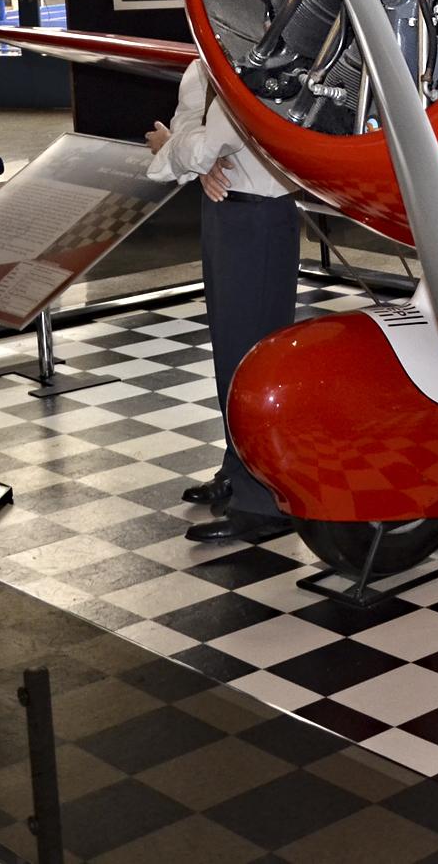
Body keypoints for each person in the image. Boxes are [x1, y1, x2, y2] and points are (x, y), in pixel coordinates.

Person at [147, 59, 299, 544]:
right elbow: (193, 128)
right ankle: (237, 468)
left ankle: (264, 500)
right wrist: (195, 161)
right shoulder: (203, 64)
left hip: (260, 216)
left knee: (253, 363)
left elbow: (211, 140)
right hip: (225, 212)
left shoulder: (260, 62)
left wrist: (175, 150)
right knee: (229, 357)